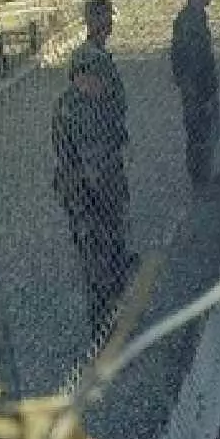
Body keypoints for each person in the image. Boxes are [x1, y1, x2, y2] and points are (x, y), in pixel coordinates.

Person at [52, 31, 135, 343]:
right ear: (78, 78)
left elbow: (116, 135)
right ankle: (102, 326)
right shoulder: (73, 110)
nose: (95, 84)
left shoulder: (99, 102)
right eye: (88, 78)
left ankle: (114, 309)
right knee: (97, 264)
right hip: (86, 198)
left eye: (99, 79)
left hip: (105, 191)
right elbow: (89, 161)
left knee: (113, 252)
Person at [170, 0, 220, 185]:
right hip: (196, 89)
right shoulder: (187, 21)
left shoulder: (198, 17)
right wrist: (194, 90)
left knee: (207, 132)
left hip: (204, 86)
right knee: (198, 133)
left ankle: (206, 173)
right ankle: (199, 178)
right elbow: (184, 59)